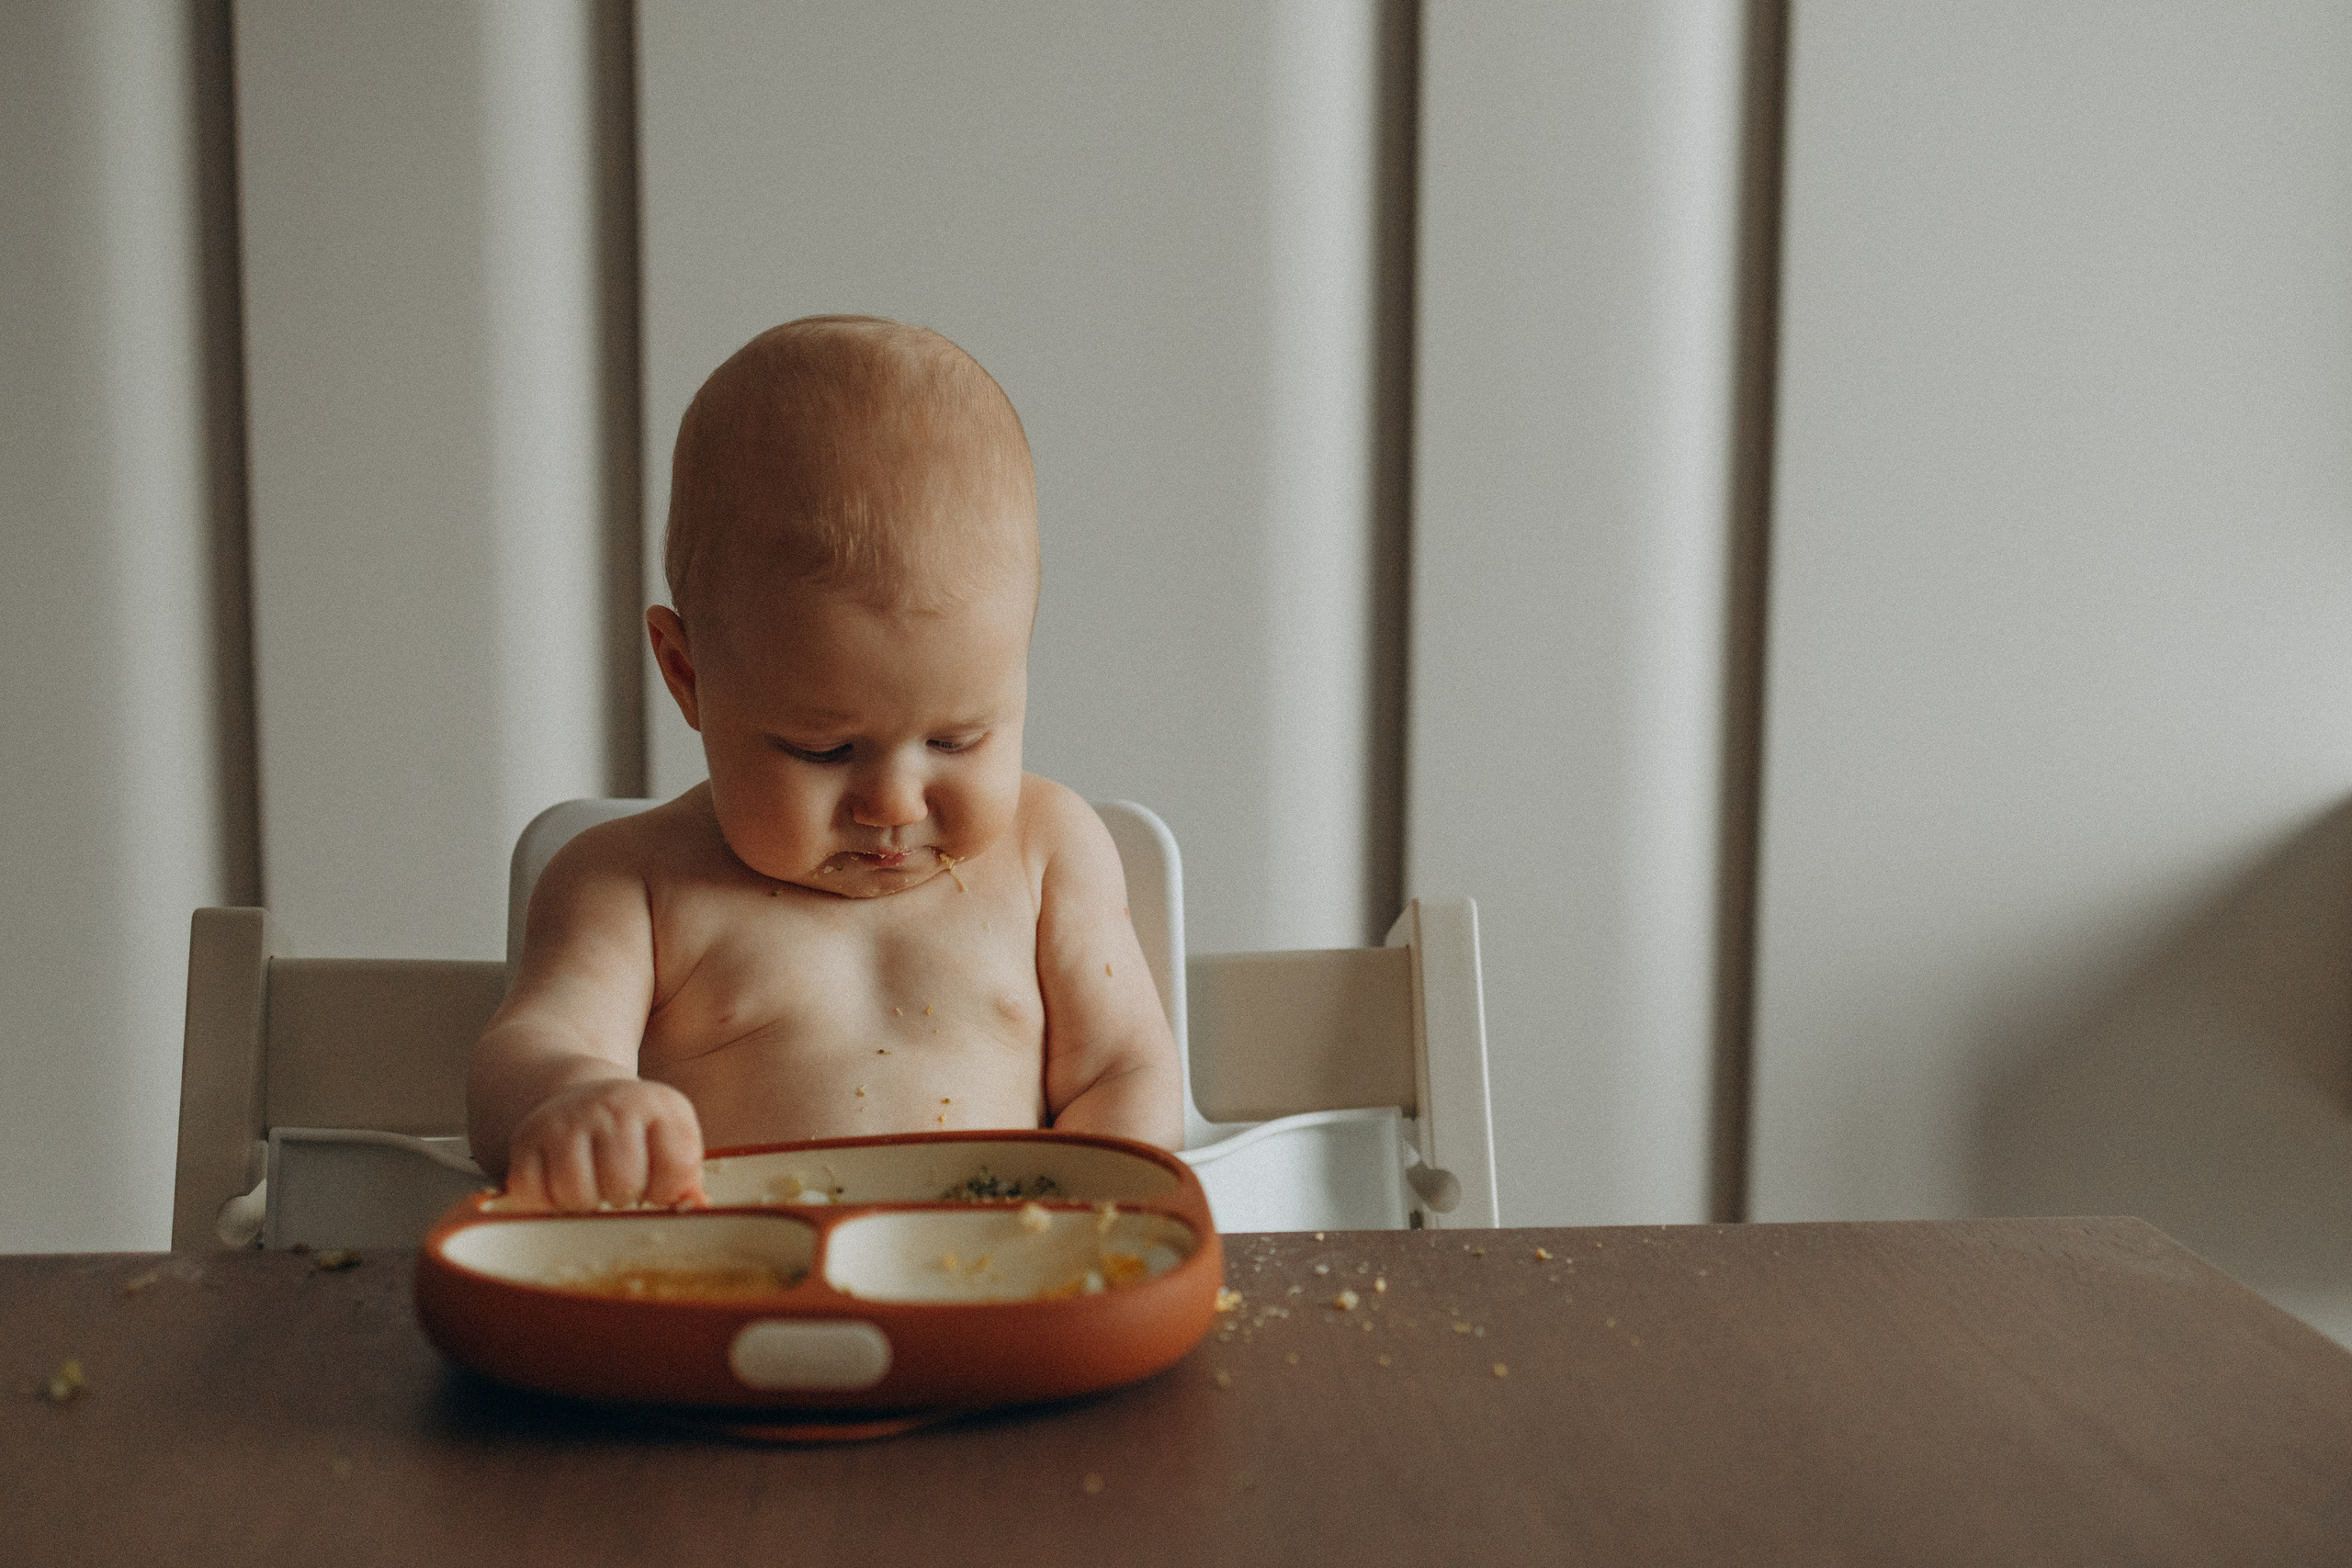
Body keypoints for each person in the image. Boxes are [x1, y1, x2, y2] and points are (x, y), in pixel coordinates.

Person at [467, 316, 1182, 1211]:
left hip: (992, 1303)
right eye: (823, 749)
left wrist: (1080, 1212)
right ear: (688, 675)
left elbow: (1127, 1073)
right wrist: (572, 1098)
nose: (892, 801)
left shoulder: (1050, 853)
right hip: (719, 1304)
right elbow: (520, 1056)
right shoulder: (630, 885)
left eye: (957, 739)